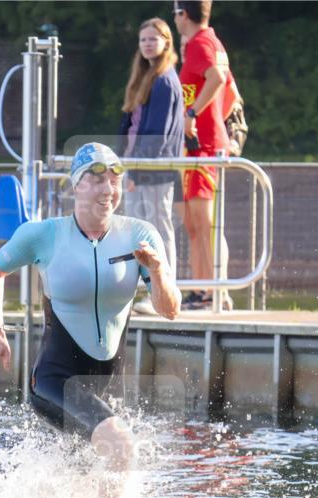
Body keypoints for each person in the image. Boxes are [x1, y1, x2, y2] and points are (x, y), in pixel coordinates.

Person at [0, 142, 181, 474]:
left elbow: (170, 309)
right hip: (54, 382)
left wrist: (157, 271)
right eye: (97, 179)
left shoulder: (139, 235)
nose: (108, 190)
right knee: (122, 447)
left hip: (106, 385)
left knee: (83, 478)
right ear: (76, 185)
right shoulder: (44, 235)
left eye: (115, 180)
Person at [119, 17, 185, 315]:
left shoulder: (165, 80)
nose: (147, 44)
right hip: (135, 164)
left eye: (153, 39)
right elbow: (131, 125)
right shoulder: (144, 76)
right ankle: (148, 289)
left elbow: (158, 133)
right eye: (143, 39)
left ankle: (165, 288)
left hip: (152, 169)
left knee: (158, 227)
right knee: (139, 229)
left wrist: (137, 171)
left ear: (166, 42)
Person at [174, 0, 236, 311]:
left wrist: (193, 113)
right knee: (197, 226)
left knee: (205, 223)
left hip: (202, 146)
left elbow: (218, 79)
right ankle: (203, 289)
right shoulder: (211, 42)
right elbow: (232, 94)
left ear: (182, 13)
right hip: (204, 144)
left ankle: (212, 292)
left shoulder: (200, 43)